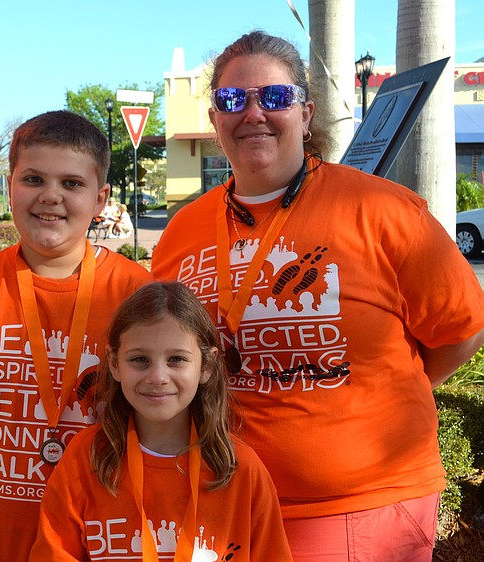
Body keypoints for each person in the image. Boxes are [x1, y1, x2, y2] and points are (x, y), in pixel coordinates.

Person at [151, 30, 484, 561]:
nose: (254, 112)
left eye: (276, 98)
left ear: (305, 114)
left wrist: (377, 399)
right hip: (226, 500)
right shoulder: (182, 232)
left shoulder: (384, 211)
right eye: (234, 100)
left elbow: (463, 331)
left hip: (361, 507)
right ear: (215, 121)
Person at [0, 110, 153, 562]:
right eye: (33, 179)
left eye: (72, 184)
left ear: (101, 198)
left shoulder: (136, 295)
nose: (51, 197)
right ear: (9, 186)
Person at [29, 282, 293, 561]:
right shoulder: (86, 459)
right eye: (140, 359)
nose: (158, 377)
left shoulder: (240, 469)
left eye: (176, 359)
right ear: (115, 363)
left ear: (206, 366)